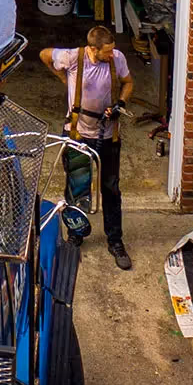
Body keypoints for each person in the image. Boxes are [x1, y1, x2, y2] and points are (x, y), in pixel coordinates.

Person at [44, 24, 140, 270]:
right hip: (78, 133)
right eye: (107, 52)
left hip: (108, 134)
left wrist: (120, 102)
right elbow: (44, 55)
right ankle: (76, 234)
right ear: (93, 49)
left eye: (112, 51)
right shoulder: (73, 58)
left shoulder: (116, 59)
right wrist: (64, 79)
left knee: (111, 188)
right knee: (77, 187)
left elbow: (128, 83)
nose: (112, 55)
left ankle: (115, 241)